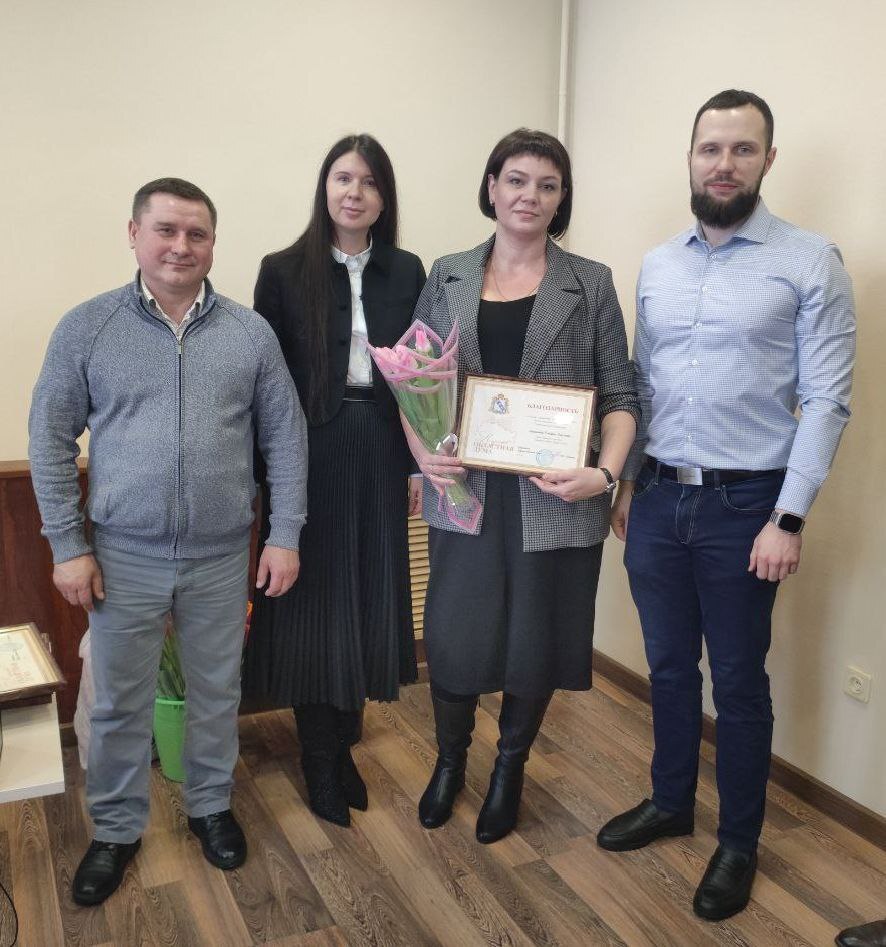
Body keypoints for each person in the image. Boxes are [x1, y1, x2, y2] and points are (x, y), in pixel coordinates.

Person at [596, 90, 856, 921]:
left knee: (739, 682)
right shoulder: (658, 264)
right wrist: (627, 483)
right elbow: (640, 385)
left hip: (748, 507)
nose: (724, 163)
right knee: (669, 666)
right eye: (711, 148)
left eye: (743, 149)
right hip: (657, 495)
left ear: (768, 160)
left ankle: (738, 840)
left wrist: (789, 516)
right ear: (691, 156)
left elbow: (827, 401)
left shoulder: (810, 260)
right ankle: (671, 800)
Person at [28, 178, 308, 906]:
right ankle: (115, 829)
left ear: (213, 243)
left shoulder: (249, 333)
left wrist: (283, 534)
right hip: (122, 556)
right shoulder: (88, 327)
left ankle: (211, 807)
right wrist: (67, 544)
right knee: (119, 705)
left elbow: (285, 438)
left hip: (221, 554)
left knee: (216, 693)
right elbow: (49, 437)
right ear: (134, 234)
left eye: (197, 234)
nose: (181, 246)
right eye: (166, 230)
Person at [407, 129, 639, 843]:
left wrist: (604, 473)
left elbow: (621, 395)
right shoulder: (447, 273)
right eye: (515, 179)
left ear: (561, 198)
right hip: (465, 493)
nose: (529, 196)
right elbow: (414, 380)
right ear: (491, 187)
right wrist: (424, 456)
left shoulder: (589, 282)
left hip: (556, 497)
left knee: (535, 642)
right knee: (455, 636)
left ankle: (510, 768)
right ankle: (450, 761)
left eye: (547, 184)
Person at [242, 135, 425, 827]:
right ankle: (319, 757)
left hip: (381, 445)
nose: (355, 192)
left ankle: (344, 744)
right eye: (344, 178)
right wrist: (266, 478)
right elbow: (264, 386)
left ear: (384, 197)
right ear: (325, 187)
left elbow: (421, 376)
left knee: (367, 592)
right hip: (307, 451)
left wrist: (417, 463)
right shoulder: (282, 270)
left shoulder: (408, 270)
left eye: (370, 182)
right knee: (314, 605)